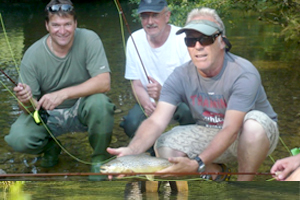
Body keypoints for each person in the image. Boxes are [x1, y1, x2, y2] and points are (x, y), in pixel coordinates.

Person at [108, 7, 280, 181]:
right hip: (211, 132)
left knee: (254, 126)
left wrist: (197, 161)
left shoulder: (243, 73)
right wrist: (132, 151)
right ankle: (216, 172)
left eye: (206, 39)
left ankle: (244, 185)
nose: (198, 46)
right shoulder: (180, 75)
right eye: (191, 40)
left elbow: (231, 130)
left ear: (222, 42)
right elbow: (156, 121)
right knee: (164, 144)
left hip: (251, 135)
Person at [4, 0, 115, 181]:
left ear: (75, 24)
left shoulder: (90, 39)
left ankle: (99, 158)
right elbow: (28, 110)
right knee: (17, 137)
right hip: (48, 115)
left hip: (82, 108)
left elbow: (104, 83)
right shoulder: (32, 56)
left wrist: (63, 94)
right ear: (47, 25)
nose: (62, 31)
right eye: (56, 25)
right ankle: (50, 147)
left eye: (67, 24)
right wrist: (25, 100)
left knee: (101, 104)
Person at [119, 0, 195, 142]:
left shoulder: (183, 38)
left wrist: (164, 94)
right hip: (151, 102)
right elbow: (136, 83)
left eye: (155, 15)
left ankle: (187, 150)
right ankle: (153, 154)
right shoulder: (133, 40)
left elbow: (193, 86)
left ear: (167, 16)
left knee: (189, 112)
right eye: (145, 16)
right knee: (131, 124)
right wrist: (146, 103)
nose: (150, 21)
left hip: (180, 100)